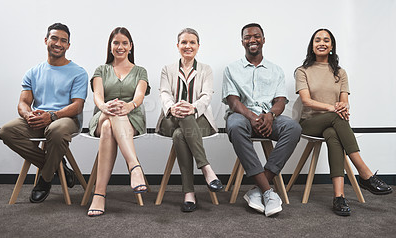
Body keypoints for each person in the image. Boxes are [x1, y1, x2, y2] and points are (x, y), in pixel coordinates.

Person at [295, 28, 393, 216]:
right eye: (317, 40)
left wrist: (341, 107)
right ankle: (365, 173)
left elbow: (344, 103)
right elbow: (307, 101)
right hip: (310, 123)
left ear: (332, 46)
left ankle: (338, 197)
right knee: (335, 116)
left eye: (326, 40)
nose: (321, 43)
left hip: (333, 123)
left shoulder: (340, 72)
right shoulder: (302, 71)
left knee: (333, 134)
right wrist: (334, 108)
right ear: (312, 45)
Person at [0, 23, 88, 203]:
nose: (58, 43)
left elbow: (77, 106)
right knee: (7, 131)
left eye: (64, 41)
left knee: (55, 131)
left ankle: (45, 180)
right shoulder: (33, 72)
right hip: (39, 119)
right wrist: (28, 115)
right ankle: (58, 167)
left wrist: (53, 116)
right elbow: (23, 102)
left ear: (68, 46)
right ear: (46, 40)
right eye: (54, 38)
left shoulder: (78, 73)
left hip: (66, 119)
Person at [222, 23, 301, 217]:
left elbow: (280, 100)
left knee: (293, 128)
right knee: (234, 125)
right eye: (247, 37)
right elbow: (233, 101)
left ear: (263, 40)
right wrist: (252, 116)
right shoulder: (231, 69)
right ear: (242, 42)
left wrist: (270, 116)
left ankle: (258, 189)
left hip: (269, 118)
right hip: (242, 117)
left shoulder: (276, 70)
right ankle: (268, 191)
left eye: (256, 36)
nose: (252, 40)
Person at [156, 28, 223, 212]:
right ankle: (207, 169)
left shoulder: (206, 69)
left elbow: (206, 96)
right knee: (180, 120)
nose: (188, 46)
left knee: (180, 135)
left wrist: (192, 108)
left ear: (198, 46)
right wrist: (172, 107)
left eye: (192, 42)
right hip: (170, 120)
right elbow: (164, 93)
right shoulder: (167, 69)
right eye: (184, 42)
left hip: (200, 120)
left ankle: (189, 193)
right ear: (177, 46)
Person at [86, 27, 150, 217]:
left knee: (109, 127)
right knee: (109, 117)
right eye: (116, 43)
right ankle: (134, 167)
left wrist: (129, 106)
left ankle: (99, 195)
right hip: (103, 114)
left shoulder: (140, 71)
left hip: (131, 118)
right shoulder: (101, 70)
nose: (120, 47)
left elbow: (139, 96)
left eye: (124, 43)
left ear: (131, 46)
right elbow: (98, 96)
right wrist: (105, 107)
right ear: (110, 46)